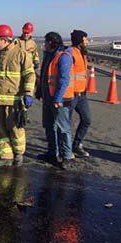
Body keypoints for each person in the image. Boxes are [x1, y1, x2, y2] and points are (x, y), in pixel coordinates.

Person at [0, 25, 36, 167]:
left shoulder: (21, 54)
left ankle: (18, 155)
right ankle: (6, 156)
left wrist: (28, 94)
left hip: (15, 100)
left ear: (5, 39)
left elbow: (30, 75)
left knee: (15, 128)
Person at [36, 32, 75, 170]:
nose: (44, 44)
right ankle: (52, 153)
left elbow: (64, 80)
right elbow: (45, 76)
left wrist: (58, 98)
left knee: (63, 129)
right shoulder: (48, 56)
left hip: (60, 99)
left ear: (52, 42)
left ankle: (66, 156)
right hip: (48, 98)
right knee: (49, 126)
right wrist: (39, 91)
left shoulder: (64, 57)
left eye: (46, 42)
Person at [69, 30, 91, 157]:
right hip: (71, 94)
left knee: (87, 119)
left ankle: (76, 145)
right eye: (85, 39)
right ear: (79, 41)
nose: (87, 42)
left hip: (82, 94)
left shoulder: (83, 53)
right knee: (65, 123)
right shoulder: (71, 53)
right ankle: (63, 149)